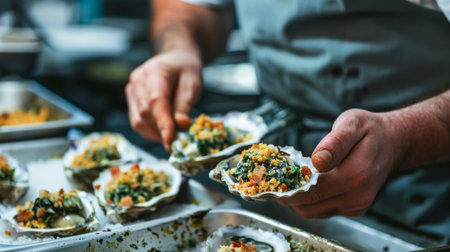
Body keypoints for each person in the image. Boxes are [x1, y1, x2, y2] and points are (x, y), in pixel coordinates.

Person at [125, 0, 450, 242]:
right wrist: (177, 47)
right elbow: (196, 7)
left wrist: (405, 136)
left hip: (426, 191)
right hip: (273, 158)